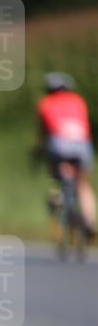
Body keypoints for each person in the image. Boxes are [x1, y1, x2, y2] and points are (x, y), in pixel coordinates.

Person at [37, 73, 96, 235]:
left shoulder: (45, 103)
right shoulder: (78, 101)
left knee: (55, 179)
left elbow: (43, 133)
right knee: (82, 184)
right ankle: (89, 221)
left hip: (59, 146)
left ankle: (58, 202)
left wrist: (38, 150)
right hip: (82, 145)